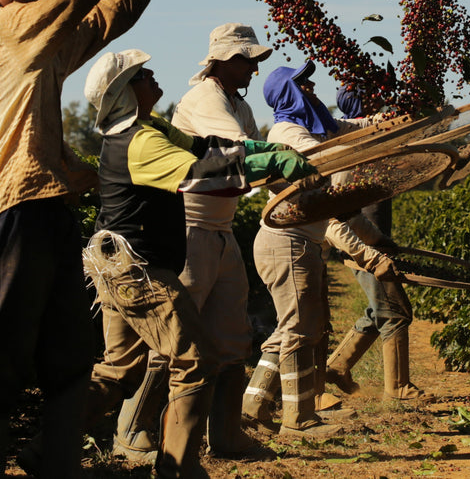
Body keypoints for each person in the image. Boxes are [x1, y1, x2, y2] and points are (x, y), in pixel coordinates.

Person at [0, 0, 173, 479]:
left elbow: (96, 22)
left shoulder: (39, 51)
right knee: (6, 352)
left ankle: (57, 467)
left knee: (69, 355)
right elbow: (68, 0)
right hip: (14, 209)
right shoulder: (5, 30)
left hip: (47, 205)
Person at [80, 49, 318, 479]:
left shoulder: (150, 127)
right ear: (125, 93)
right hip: (139, 268)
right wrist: (271, 162)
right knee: (191, 359)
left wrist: (266, 149)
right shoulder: (141, 141)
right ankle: (178, 468)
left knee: (121, 368)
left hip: (120, 263)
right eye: (143, 75)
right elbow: (202, 171)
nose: (154, 77)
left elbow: (204, 145)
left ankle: (46, 449)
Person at [111, 23, 275, 462]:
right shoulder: (206, 99)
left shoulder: (237, 103)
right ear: (222, 59)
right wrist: (277, 158)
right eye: (247, 61)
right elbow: (239, 152)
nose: (253, 71)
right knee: (173, 340)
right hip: (190, 231)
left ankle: (225, 435)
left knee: (231, 337)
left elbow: (252, 165)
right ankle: (132, 433)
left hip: (220, 231)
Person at [243, 62, 400, 435]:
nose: (313, 86)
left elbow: (350, 136)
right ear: (291, 93)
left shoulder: (312, 129)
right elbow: (335, 198)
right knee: (300, 329)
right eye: (304, 83)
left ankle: (254, 406)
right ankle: (299, 419)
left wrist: (396, 119)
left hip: (296, 241)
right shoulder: (291, 134)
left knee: (291, 328)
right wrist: (371, 256)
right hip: (287, 242)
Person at [324, 87, 428, 402]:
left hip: (370, 241)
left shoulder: (369, 141)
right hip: (360, 246)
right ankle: (397, 389)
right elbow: (339, 210)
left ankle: (337, 366)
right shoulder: (351, 147)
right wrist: (368, 248)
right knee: (394, 310)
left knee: (381, 308)